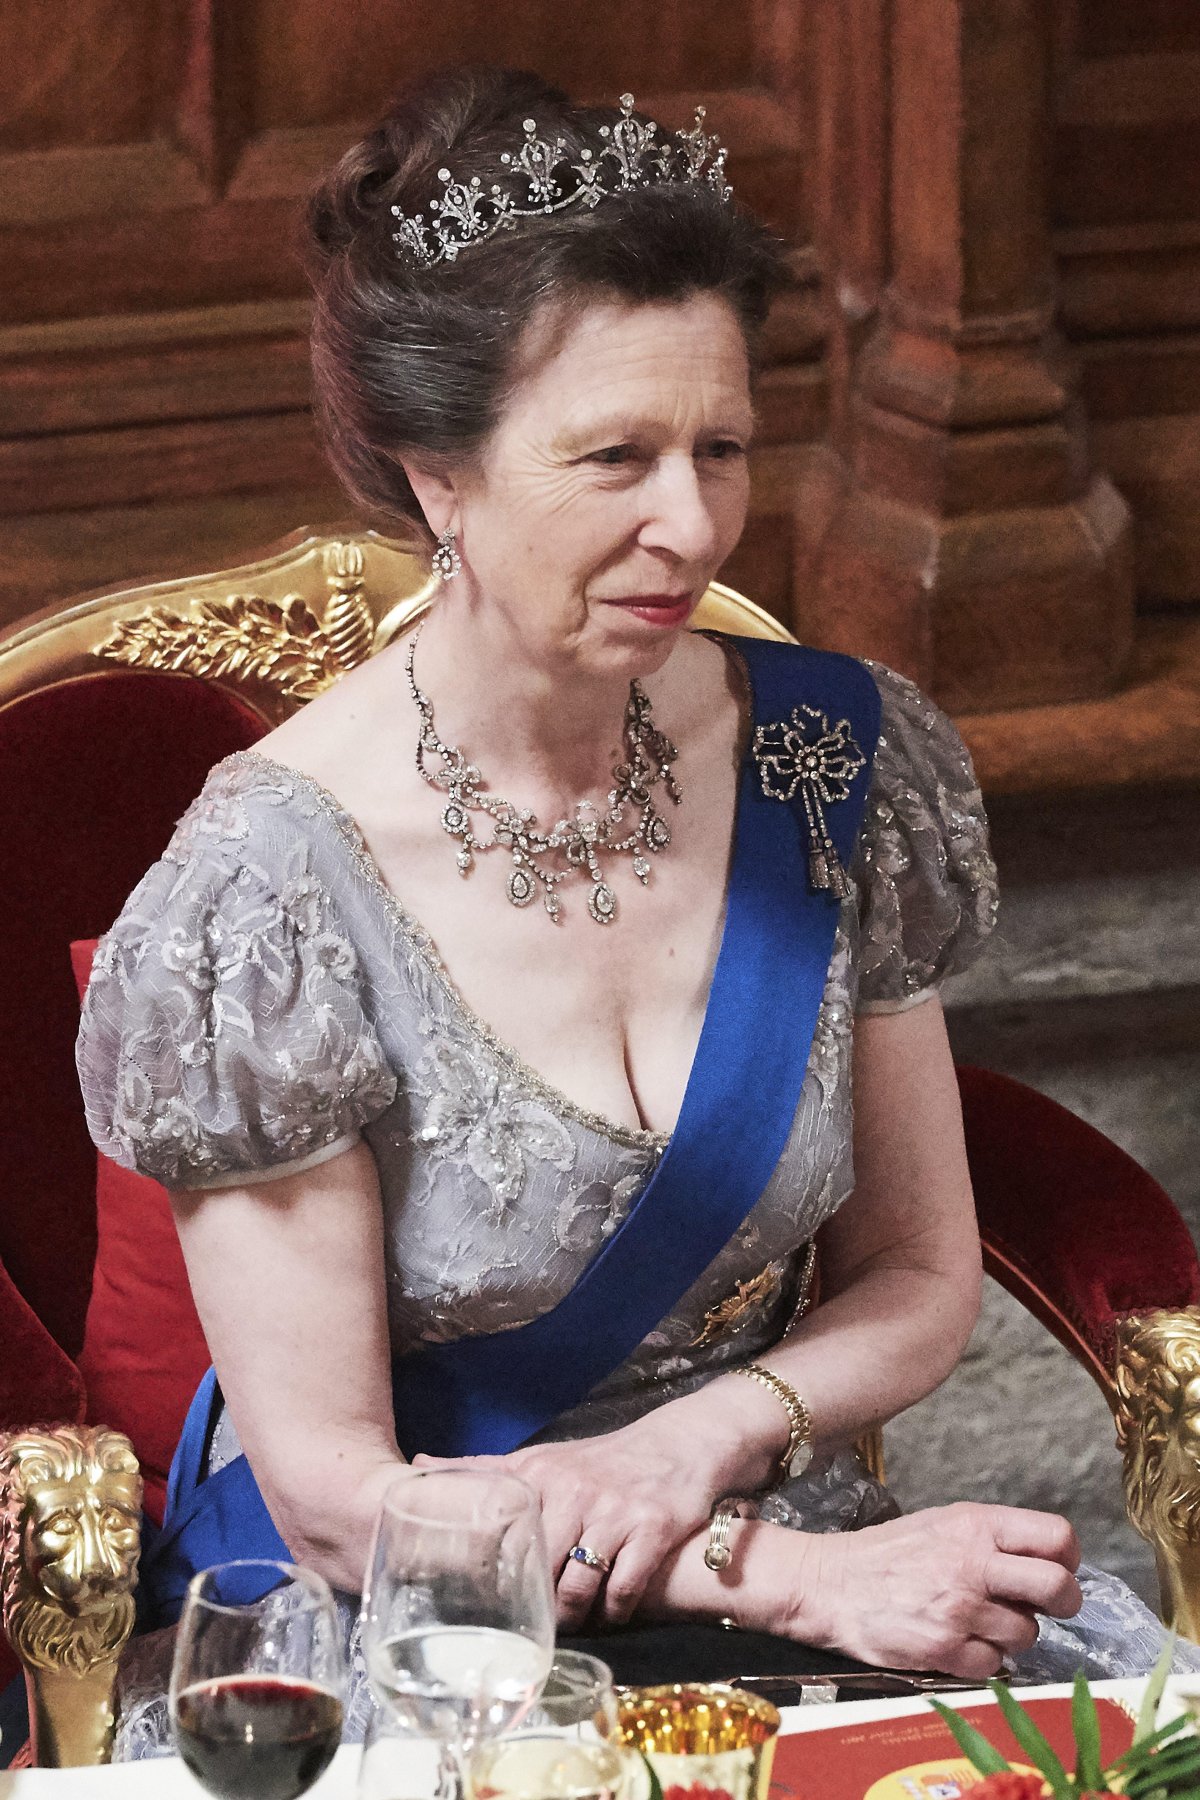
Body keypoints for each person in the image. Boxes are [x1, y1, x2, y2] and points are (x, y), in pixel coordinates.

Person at [77, 66, 1183, 1743]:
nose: (692, 523)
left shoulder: (832, 767)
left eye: (721, 448)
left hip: (775, 1521)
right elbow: (329, 1497)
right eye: (615, 458)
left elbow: (914, 1265)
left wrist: (702, 1442)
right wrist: (772, 1576)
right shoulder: (270, 892)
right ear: (434, 472)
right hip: (415, 1633)